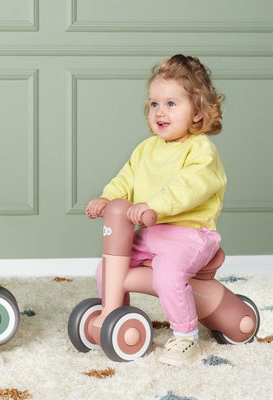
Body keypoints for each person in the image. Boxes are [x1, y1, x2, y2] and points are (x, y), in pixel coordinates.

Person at [85, 54, 227, 366]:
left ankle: (186, 336)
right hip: (151, 233)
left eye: (171, 104)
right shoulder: (146, 149)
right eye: (154, 104)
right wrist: (108, 199)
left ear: (197, 111)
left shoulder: (200, 149)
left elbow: (190, 187)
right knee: (107, 268)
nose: (159, 112)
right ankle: (115, 318)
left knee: (167, 275)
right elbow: (125, 180)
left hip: (190, 235)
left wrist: (155, 206)